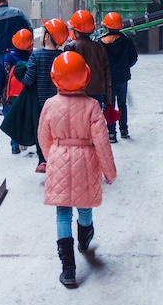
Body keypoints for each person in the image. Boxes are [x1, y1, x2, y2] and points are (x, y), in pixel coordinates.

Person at [39, 51, 117, 288]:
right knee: (84, 207)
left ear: (55, 79)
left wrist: (52, 156)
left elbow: (44, 137)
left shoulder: (50, 105)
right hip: (86, 159)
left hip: (60, 156)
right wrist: (109, 172)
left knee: (63, 213)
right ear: (86, 77)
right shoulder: (93, 106)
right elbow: (102, 142)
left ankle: (69, 269)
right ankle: (84, 241)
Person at [22, 18, 70, 173]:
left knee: (42, 131)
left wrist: (19, 75)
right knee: (58, 132)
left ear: (47, 37)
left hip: (41, 102)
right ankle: (58, 159)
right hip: (60, 102)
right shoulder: (64, 56)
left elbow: (29, 80)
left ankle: (43, 160)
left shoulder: (36, 56)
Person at [100, 12, 138, 142]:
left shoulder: (101, 43)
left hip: (108, 80)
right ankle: (124, 130)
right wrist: (124, 67)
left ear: (106, 27)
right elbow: (133, 58)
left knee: (110, 105)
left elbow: (99, 62)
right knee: (122, 104)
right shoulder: (127, 41)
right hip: (122, 78)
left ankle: (111, 133)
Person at [63, 10, 111, 114]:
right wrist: (109, 101)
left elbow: (66, 75)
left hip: (76, 94)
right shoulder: (99, 47)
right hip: (97, 92)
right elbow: (106, 75)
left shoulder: (70, 47)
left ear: (75, 31)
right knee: (94, 124)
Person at [0, 28, 33, 154]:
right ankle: (24, 139)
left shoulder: (8, 57)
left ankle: (14, 145)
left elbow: (0, 78)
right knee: (24, 118)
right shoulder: (31, 59)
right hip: (26, 95)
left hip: (9, 96)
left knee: (10, 118)